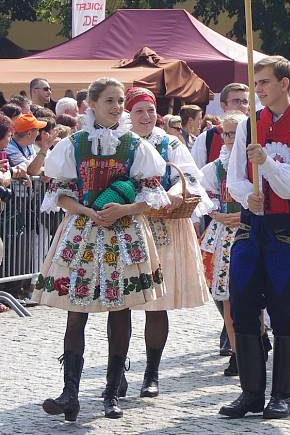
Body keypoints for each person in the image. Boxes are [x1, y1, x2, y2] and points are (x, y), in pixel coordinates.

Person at [33, 77, 170, 421]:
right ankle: (70, 393)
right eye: (110, 100)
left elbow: (152, 195)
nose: (117, 107)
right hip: (82, 232)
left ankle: (111, 392)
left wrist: (122, 210)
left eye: (120, 100)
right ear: (92, 104)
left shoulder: (135, 146)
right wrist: (86, 211)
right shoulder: (73, 144)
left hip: (123, 234)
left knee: (120, 310)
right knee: (75, 311)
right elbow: (60, 193)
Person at [219, 56, 290, 420]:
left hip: (286, 230)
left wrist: (267, 163)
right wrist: (248, 193)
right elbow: (234, 175)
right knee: (243, 304)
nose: (258, 90)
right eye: (256, 83)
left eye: (264, 82)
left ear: (284, 83)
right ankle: (250, 393)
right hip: (251, 224)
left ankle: (282, 395)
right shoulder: (250, 124)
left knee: (282, 308)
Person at [126, 88, 212, 397]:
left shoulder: (169, 142)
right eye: (139, 111)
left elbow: (188, 176)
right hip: (127, 225)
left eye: (150, 110)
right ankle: (118, 369)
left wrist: (175, 192)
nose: (146, 117)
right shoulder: (120, 143)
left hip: (163, 224)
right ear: (129, 115)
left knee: (155, 304)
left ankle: (152, 373)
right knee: (120, 303)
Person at [199, 112, 259, 376]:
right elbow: (201, 193)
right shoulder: (217, 166)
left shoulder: (253, 165)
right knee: (227, 299)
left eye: (236, 133)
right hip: (225, 233)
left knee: (255, 296)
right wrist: (217, 213)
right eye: (227, 133)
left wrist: (246, 214)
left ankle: (258, 344)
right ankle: (237, 353)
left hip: (251, 229)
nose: (231, 139)